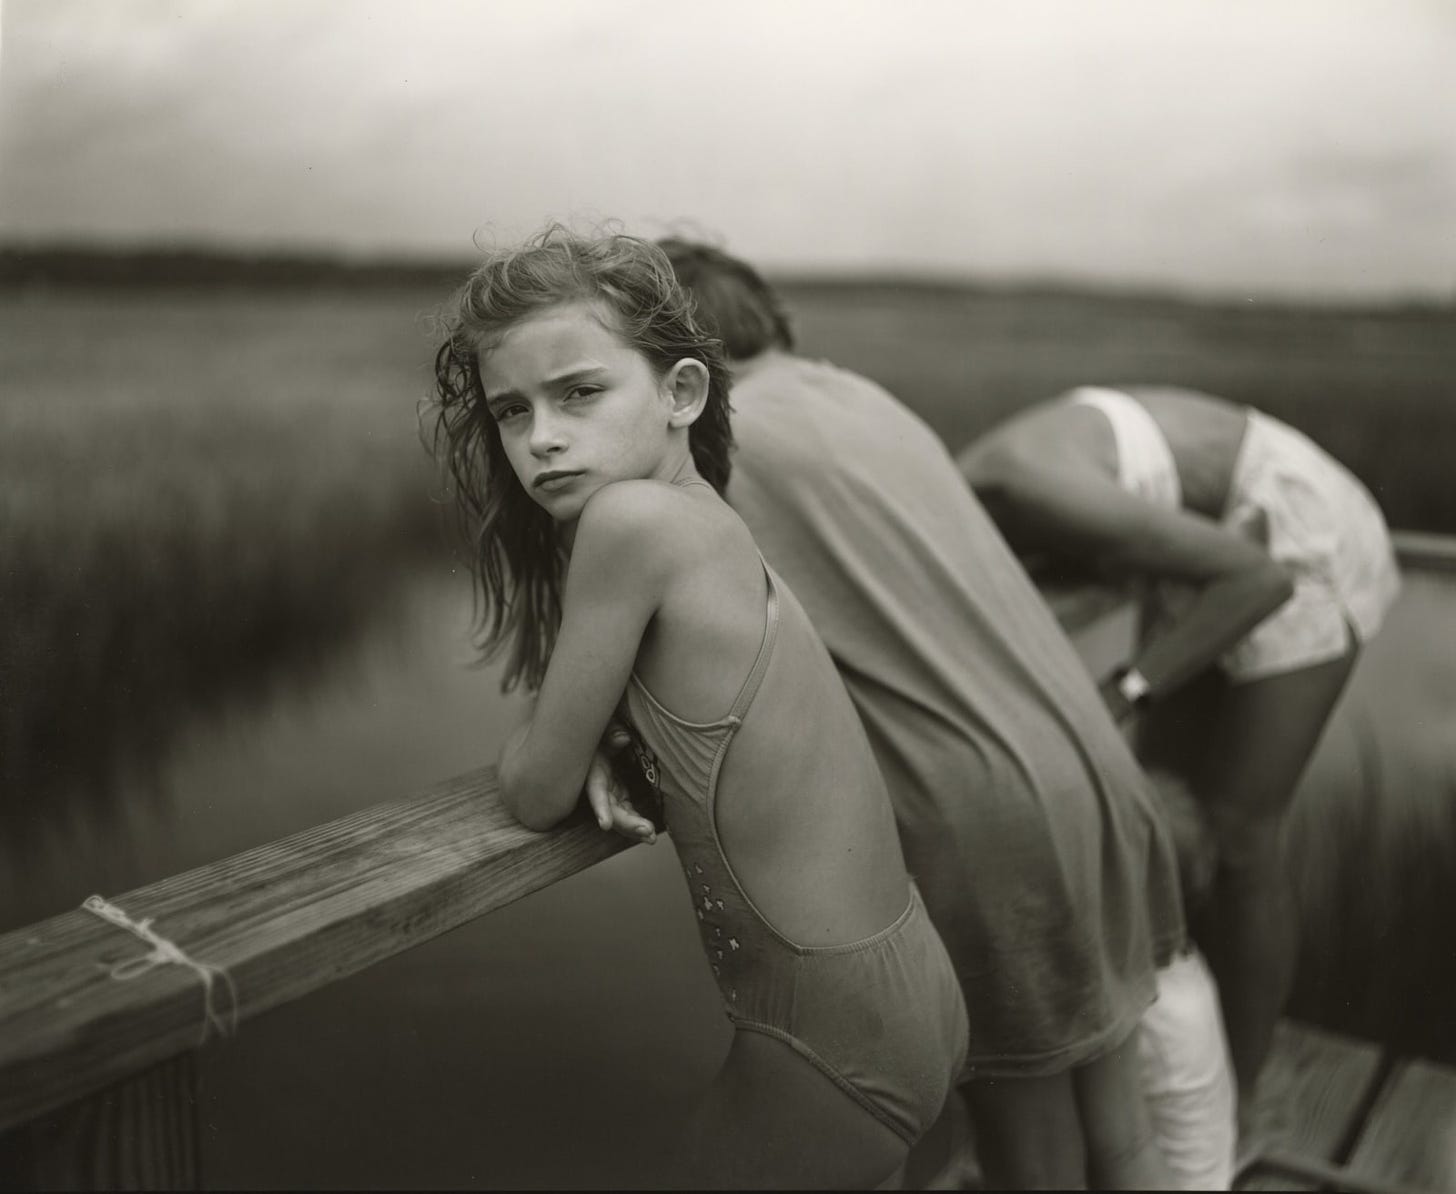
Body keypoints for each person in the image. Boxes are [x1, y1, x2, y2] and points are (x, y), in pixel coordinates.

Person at [594, 238, 1188, 1189]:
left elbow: (662, 632)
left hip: (982, 816)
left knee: (1030, 1156)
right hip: (1095, 775)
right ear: (774, 321)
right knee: (1125, 1137)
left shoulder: (713, 445)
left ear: (672, 362)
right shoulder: (868, 400)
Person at [426, 226, 969, 1190]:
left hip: (828, 1032)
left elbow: (535, 791)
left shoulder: (631, 525)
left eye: (580, 392)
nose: (541, 435)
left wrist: (566, 738)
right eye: (511, 411)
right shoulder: (710, 522)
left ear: (681, 393)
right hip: (899, 983)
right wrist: (606, 724)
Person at [957, 384, 1401, 1114]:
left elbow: (1258, 581)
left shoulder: (1021, 483)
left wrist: (1125, 691)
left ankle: (1245, 1102)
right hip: (1206, 549)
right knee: (1159, 816)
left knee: (1238, 837)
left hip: (1293, 536)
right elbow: (1065, 597)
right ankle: (1171, 1071)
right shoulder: (967, 500)